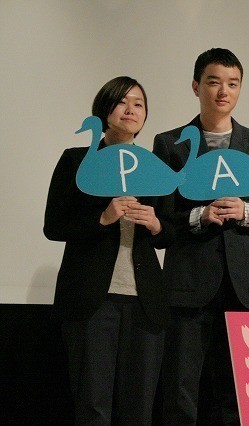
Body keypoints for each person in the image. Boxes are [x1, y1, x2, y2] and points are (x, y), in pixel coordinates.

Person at [152, 48, 249, 425]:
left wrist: (245, 211)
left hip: (244, 286)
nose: (223, 91)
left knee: (237, 388)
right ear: (196, 87)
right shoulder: (170, 143)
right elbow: (161, 216)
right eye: (214, 82)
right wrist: (200, 215)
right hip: (188, 282)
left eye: (232, 83)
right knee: (181, 388)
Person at [44, 76, 172, 424]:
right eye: (122, 102)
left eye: (138, 104)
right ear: (105, 109)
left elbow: (168, 233)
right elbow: (54, 226)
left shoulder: (153, 166)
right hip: (92, 299)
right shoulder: (77, 160)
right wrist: (102, 218)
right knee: (93, 405)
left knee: (139, 408)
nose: (131, 110)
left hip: (144, 300)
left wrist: (156, 224)